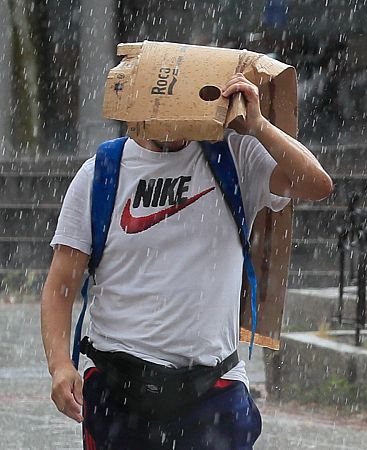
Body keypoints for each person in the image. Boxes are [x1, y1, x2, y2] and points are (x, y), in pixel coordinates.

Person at [40, 73, 333, 449]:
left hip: (213, 388)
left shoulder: (235, 156)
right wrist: (60, 365)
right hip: (118, 388)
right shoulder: (99, 174)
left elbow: (316, 184)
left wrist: (258, 126)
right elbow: (59, 286)